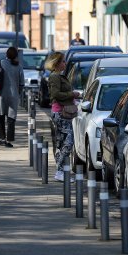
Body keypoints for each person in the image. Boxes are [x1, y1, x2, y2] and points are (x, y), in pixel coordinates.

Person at [45, 51, 81, 182]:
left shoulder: (58, 76)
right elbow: (56, 94)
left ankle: (61, 171)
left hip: (63, 111)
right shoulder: (55, 77)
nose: (65, 63)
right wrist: (72, 95)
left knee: (61, 142)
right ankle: (60, 170)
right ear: (57, 63)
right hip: (61, 113)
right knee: (68, 142)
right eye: (63, 61)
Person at [0, 47, 25, 147]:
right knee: (11, 118)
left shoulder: (1, 63)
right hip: (13, 95)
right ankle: (9, 140)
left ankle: (2, 138)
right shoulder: (19, 67)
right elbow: (22, 83)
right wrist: (18, 93)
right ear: (16, 55)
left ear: (6, 54)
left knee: (1, 116)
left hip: (0, 95)